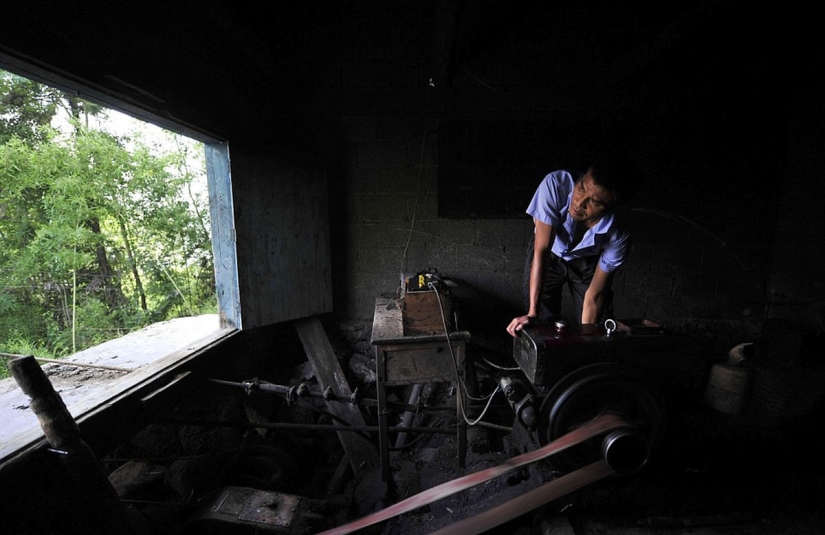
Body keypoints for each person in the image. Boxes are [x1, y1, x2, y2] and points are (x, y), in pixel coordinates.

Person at [506, 152, 642, 337]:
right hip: (549, 254)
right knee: (541, 322)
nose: (579, 202)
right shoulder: (556, 184)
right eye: (581, 187)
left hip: (588, 262)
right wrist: (532, 312)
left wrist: (588, 340)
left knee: (595, 327)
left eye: (593, 202)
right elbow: (542, 251)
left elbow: (594, 295)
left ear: (612, 206)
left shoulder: (619, 232)